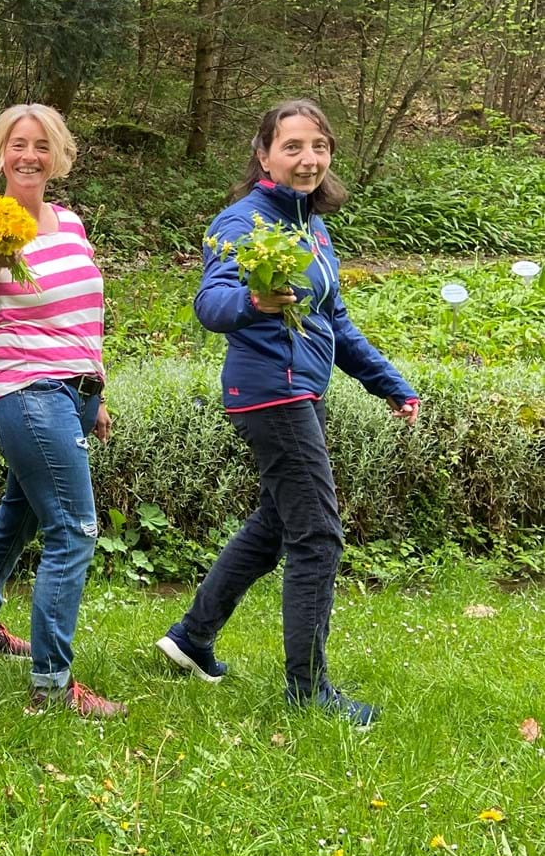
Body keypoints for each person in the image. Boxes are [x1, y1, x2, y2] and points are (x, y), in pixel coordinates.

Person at [154, 98, 419, 726]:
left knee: (276, 524)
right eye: (293, 146)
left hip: (302, 390)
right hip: (273, 392)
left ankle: (192, 636)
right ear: (264, 154)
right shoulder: (243, 222)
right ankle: (308, 690)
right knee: (318, 536)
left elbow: (336, 321)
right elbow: (211, 303)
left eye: (319, 146)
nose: (308, 159)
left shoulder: (313, 227)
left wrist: (391, 384)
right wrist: (254, 301)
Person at [0, 104, 123, 718]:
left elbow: (85, 317)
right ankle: (51, 687)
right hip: (25, 393)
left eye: (42, 145)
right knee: (74, 530)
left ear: (59, 157)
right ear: (0, 154)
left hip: (71, 394)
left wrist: (94, 395)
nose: (29, 155)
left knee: (18, 516)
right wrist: (3, 240)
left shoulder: (73, 224)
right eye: (18, 144)